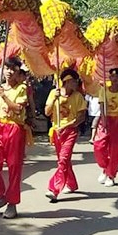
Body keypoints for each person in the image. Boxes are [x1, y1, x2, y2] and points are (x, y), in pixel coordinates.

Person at [0, 56, 29, 219]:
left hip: (15, 129)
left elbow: (17, 109)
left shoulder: (22, 88)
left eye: (13, 69)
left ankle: (12, 203)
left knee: (14, 167)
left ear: (18, 72)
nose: (9, 72)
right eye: (7, 69)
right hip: (0, 128)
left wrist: (2, 95)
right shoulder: (1, 87)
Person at [44, 68, 86, 202]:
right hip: (56, 131)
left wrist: (67, 126)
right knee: (63, 160)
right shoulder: (53, 93)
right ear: (66, 82)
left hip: (70, 131)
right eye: (74, 82)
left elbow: (81, 117)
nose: (76, 84)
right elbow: (47, 112)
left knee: (63, 159)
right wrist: (54, 100)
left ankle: (54, 189)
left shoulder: (78, 96)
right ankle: (72, 184)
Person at [93, 68, 118, 187]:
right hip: (105, 120)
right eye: (112, 77)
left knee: (114, 150)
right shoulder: (103, 91)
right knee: (98, 146)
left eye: (117, 77)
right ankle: (105, 167)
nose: (114, 79)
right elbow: (101, 107)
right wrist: (104, 121)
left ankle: (111, 175)